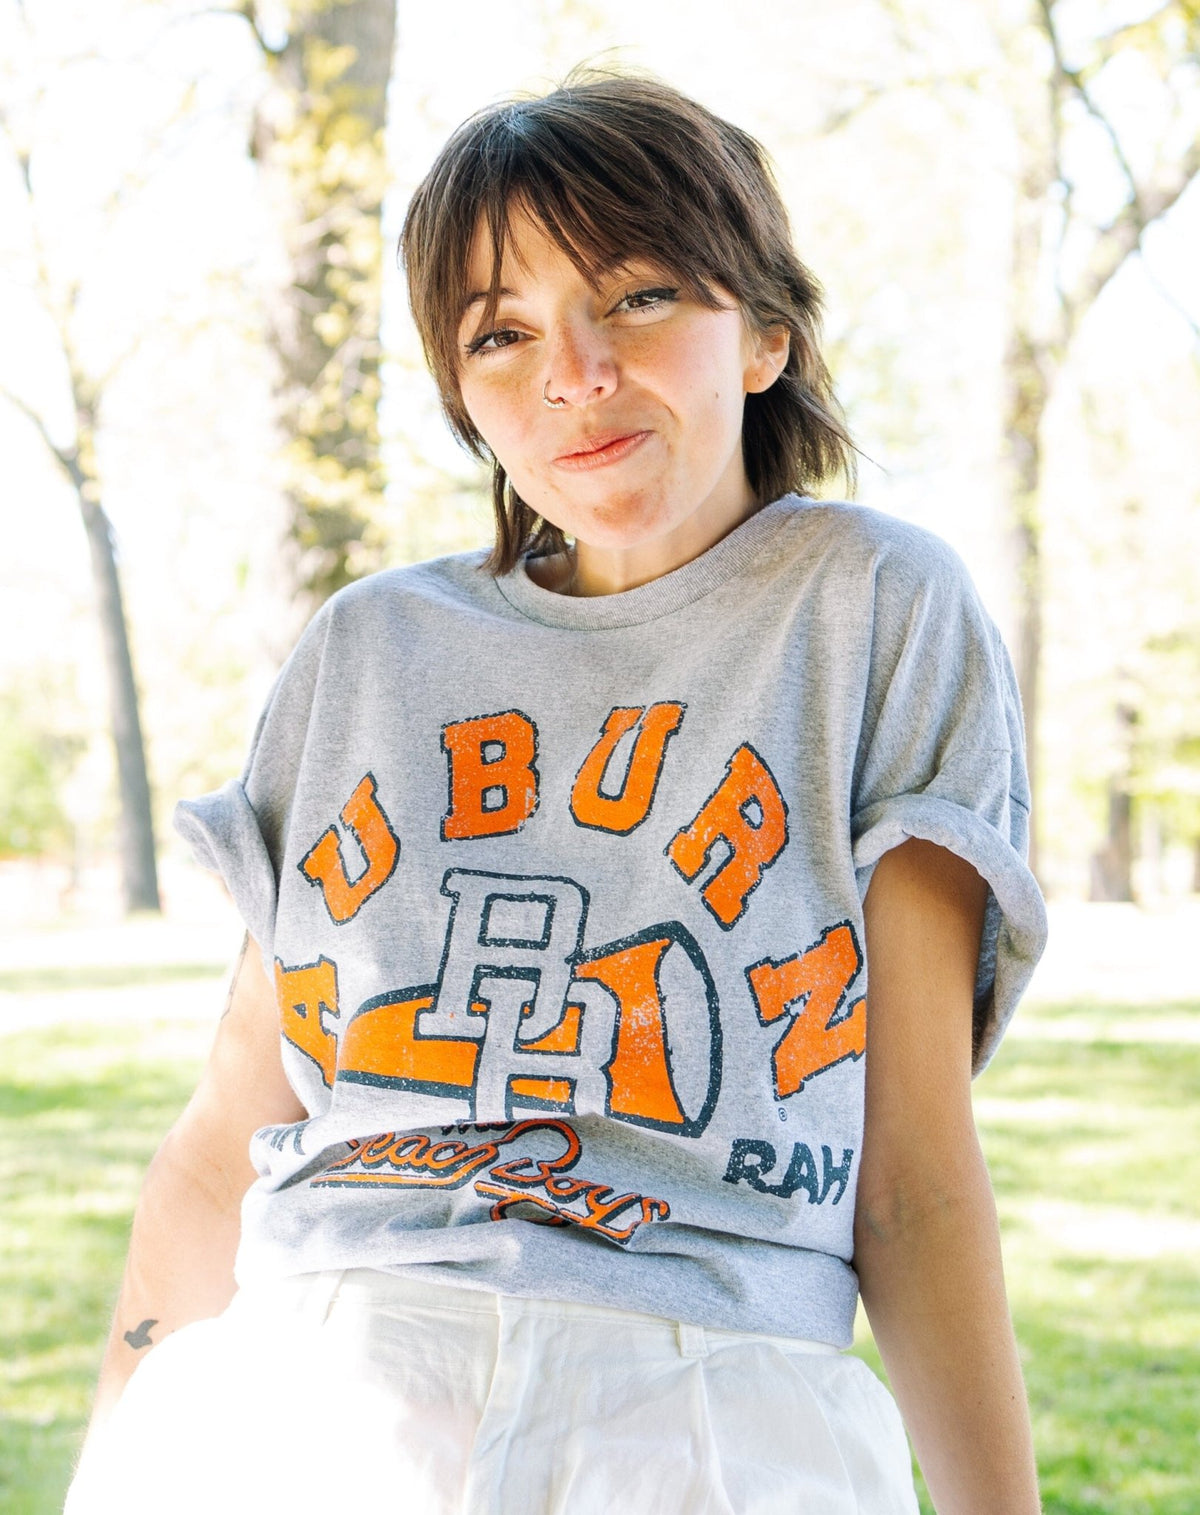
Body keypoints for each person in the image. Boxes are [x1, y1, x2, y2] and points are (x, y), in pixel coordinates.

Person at [66, 65, 1047, 1515]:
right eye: (502, 335)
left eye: (638, 298)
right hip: (320, 1371)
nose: (574, 375)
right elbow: (226, 1140)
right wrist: (121, 1452)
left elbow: (909, 1179)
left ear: (767, 330)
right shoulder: (371, 645)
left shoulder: (877, 609)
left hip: (702, 1389)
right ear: (463, 396)